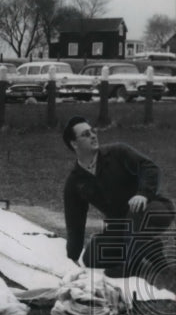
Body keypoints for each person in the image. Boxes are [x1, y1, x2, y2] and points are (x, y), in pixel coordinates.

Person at [62, 116, 174, 276]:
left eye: (93, 131)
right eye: (86, 134)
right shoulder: (75, 182)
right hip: (123, 226)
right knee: (92, 257)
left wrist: (143, 194)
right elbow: (75, 223)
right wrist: (72, 257)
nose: (93, 135)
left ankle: (130, 266)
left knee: (136, 211)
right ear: (74, 144)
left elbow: (149, 167)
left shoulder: (117, 151)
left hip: (153, 209)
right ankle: (150, 248)